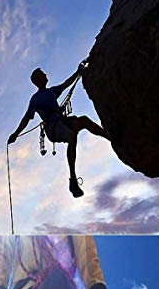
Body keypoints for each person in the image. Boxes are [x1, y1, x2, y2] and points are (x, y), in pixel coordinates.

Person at [7, 64, 109, 198]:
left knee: (83, 120)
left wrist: (78, 71)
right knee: (72, 136)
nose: (45, 75)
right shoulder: (36, 99)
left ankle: (110, 137)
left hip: (60, 122)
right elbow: (26, 118)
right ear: (38, 80)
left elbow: (66, 83)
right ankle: (73, 180)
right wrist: (16, 133)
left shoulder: (51, 92)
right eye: (42, 74)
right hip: (53, 128)